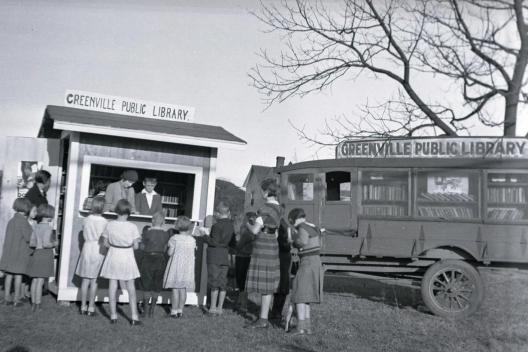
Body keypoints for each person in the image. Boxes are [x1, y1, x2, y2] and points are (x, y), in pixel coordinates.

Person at [99, 199, 142, 325]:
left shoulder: (110, 224)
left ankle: (113, 316)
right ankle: (134, 317)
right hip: (127, 255)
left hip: (113, 255)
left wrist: (114, 244)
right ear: (129, 212)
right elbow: (136, 247)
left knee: (113, 285)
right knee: (131, 287)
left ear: (117, 211)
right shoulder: (132, 226)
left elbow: (105, 243)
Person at [287, 208, 322, 335]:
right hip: (316, 261)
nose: (292, 224)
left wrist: (292, 241)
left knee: (299, 294)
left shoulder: (302, 227)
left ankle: (300, 328)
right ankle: (307, 327)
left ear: (294, 219)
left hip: (307, 262)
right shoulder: (312, 226)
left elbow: (302, 241)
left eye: (291, 222)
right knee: (306, 296)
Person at [244, 214, 280, 328]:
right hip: (273, 248)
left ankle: (263, 319)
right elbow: (276, 234)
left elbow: (255, 231)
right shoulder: (276, 217)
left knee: (265, 286)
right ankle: (264, 318)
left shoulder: (262, 216)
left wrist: (248, 224)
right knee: (268, 286)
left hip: (262, 250)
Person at [75, 196, 108, 316]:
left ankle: (83, 306)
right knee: (94, 280)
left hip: (87, 247)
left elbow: (84, 232)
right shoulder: (104, 222)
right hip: (98, 249)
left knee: (85, 280)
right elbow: (105, 238)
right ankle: (91, 307)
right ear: (103, 207)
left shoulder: (86, 219)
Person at [202, 202, 236, 316]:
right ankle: (220, 308)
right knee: (223, 282)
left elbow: (214, 242)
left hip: (214, 256)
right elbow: (233, 243)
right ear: (228, 213)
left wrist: (204, 236)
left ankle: (212, 308)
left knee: (214, 282)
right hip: (224, 256)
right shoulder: (231, 226)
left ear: (217, 213)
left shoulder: (216, 226)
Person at [0, 198, 33, 306]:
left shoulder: (11, 221)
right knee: (18, 276)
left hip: (9, 254)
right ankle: (16, 299)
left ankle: (6, 298)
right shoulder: (23, 222)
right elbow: (29, 238)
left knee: (9, 276)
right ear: (26, 208)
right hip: (20, 254)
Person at [27, 204, 58, 312]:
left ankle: (33, 304)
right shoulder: (48, 228)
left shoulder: (36, 227)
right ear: (49, 216)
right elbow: (46, 244)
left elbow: (32, 243)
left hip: (36, 254)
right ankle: (38, 304)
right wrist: (55, 243)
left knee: (34, 281)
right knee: (40, 282)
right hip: (44, 255)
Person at [163, 216, 196, 318]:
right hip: (187, 268)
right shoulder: (192, 240)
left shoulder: (174, 238)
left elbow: (170, 253)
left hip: (176, 267)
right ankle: (180, 310)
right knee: (183, 289)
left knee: (175, 289)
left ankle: (173, 311)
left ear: (177, 226)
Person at [139, 212, 170, 317]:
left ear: (152, 221)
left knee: (146, 283)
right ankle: (152, 311)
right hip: (160, 258)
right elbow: (165, 248)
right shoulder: (166, 234)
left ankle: (146, 311)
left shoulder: (147, 233)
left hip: (148, 258)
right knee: (157, 283)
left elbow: (142, 247)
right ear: (164, 222)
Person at [234, 211, 257, 313]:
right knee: (243, 281)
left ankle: (243, 304)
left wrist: (234, 243)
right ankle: (240, 302)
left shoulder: (247, 233)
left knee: (241, 281)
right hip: (248, 257)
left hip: (242, 257)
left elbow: (239, 245)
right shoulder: (252, 232)